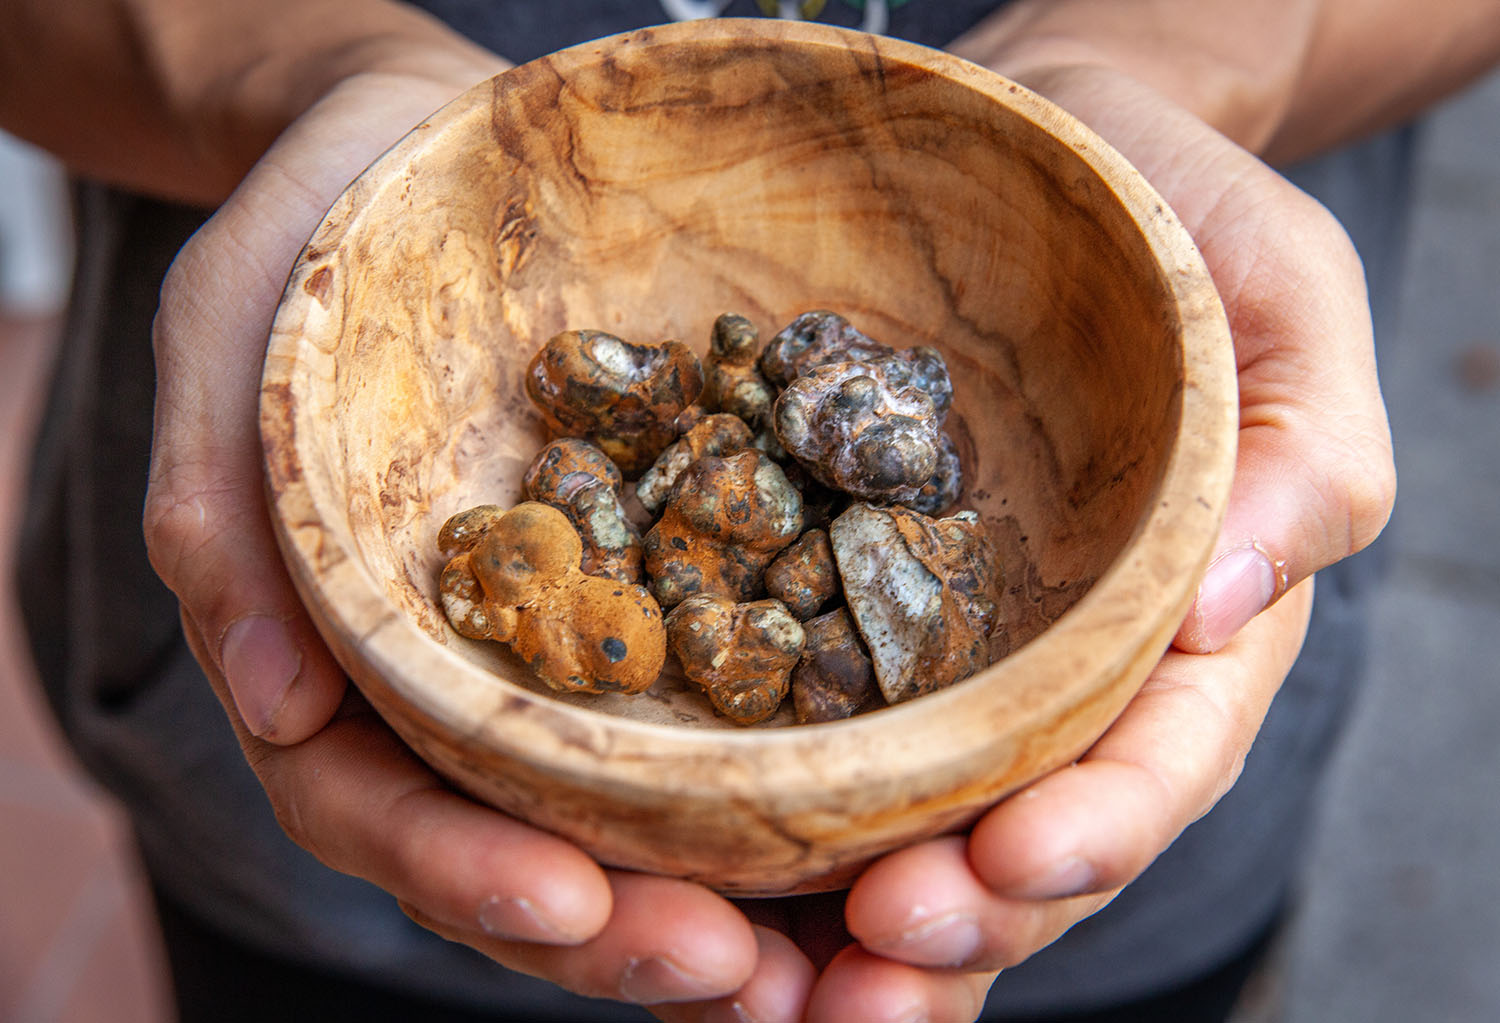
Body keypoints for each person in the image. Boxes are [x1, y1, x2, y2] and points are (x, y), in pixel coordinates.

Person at [4, 1, 1497, 1020]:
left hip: (1106, 849)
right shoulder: (669, 502)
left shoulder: (786, 513)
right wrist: (300, 64)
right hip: (312, 817)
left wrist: (1150, 53)